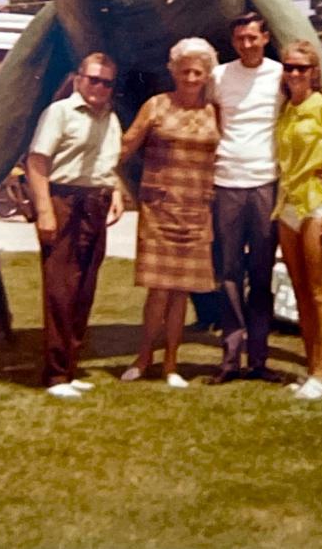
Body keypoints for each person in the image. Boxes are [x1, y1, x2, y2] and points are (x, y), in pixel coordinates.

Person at [118, 38, 220, 388]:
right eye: (185, 70)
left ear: (207, 75)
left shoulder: (214, 111)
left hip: (197, 209)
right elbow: (125, 146)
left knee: (181, 290)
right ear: (173, 71)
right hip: (160, 209)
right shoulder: (156, 106)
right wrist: (112, 184)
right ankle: (144, 357)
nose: (191, 78)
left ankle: (171, 365)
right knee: (159, 289)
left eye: (198, 72)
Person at [26, 53, 125, 399]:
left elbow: (107, 162)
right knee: (59, 289)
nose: (99, 87)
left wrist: (116, 192)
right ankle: (55, 376)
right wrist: (45, 211)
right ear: (79, 78)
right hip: (64, 201)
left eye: (107, 82)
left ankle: (70, 367)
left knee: (84, 289)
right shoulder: (60, 113)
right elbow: (37, 163)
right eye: (93, 79)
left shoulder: (110, 118)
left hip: (95, 203)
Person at [208, 12, 285, 384]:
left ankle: (259, 359)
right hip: (226, 183)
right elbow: (210, 121)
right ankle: (229, 360)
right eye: (240, 38)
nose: (247, 44)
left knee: (261, 273)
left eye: (253, 37)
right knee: (228, 273)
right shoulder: (220, 76)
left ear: (265, 38)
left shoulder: (281, 75)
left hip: (265, 183)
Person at [274, 40, 322, 401]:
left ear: (313, 72)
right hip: (287, 206)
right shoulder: (287, 110)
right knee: (300, 290)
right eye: (288, 66)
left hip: (317, 205)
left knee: (320, 290)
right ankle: (311, 370)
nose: (293, 73)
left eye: (300, 68)